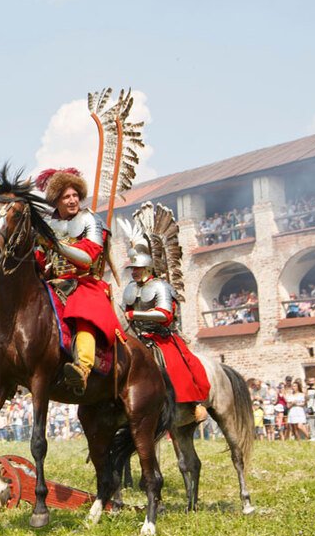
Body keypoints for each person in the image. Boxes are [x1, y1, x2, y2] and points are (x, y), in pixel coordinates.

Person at [33, 167, 120, 394]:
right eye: (66, 197)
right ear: (56, 201)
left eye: (75, 196)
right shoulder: (47, 225)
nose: (72, 201)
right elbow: (39, 260)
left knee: (83, 313)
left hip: (85, 283)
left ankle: (83, 367)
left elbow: (88, 255)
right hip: (55, 283)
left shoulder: (90, 220)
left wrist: (56, 244)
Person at [121, 252, 210, 422]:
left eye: (137, 269)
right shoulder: (130, 288)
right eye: (132, 269)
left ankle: (193, 402)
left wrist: (134, 314)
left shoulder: (160, 287)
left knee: (176, 364)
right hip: (135, 334)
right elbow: (124, 311)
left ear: (148, 269)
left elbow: (164, 314)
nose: (134, 272)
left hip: (159, 336)